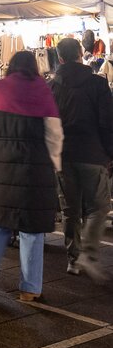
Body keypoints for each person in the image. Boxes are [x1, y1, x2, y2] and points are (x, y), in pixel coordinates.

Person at [0, 51, 62, 302]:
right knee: (32, 229)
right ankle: (29, 288)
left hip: (1, 164)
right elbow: (54, 132)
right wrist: (55, 162)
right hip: (35, 166)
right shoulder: (42, 89)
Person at [51, 36, 113, 281]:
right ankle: (88, 252)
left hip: (63, 155)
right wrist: (110, 153)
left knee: (70, 210)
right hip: (92, 153)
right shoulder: (97, 84)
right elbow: (108, 122)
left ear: (60, 58)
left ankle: (74, 259)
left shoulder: (52, 86)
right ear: (80, 54)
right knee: (99, 207)